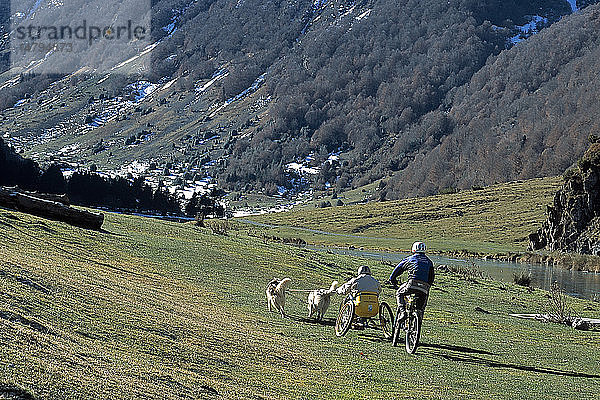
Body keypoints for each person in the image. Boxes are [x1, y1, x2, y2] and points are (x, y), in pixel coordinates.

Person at [388, 241, 435, 320]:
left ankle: (403, 312)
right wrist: (428, 285)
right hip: (424, 287)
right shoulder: (429, 262)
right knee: (421, 306)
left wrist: (392, 279)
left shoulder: (410, 259)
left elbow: (398, 269)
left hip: (412, 284)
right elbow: (431, 277)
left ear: (413, 249)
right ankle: (418, 317)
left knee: (399, 293)